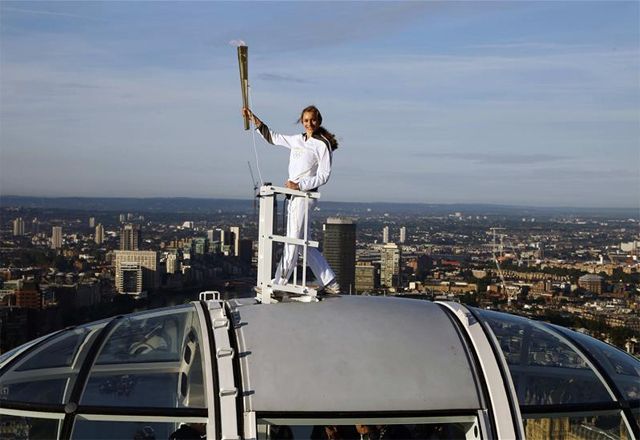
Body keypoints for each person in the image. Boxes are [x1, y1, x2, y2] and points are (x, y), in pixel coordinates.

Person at [242, 105, 341, 295]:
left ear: (318, 121)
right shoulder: (297, 140)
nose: (309, 124)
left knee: (293, 240)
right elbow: (273, 137)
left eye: (312, 120)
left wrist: (300, 185)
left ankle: (279, 283)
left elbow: (324, 175)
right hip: (294, 196)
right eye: (305, 120)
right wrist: (253, 118)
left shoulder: (322, 144)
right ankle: (330, 281)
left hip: (305, 195)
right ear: (301, 122)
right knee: (304, 243)